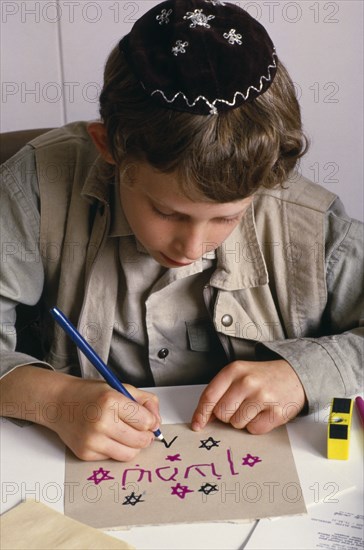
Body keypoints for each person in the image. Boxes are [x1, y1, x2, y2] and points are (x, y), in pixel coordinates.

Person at [0, 0, 362, 462]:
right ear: (108, 146)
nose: (191, 248)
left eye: (227, 218)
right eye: (167, 212)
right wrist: (53, 399)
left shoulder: (307, 220)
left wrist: (305, 373)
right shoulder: (32, 189)